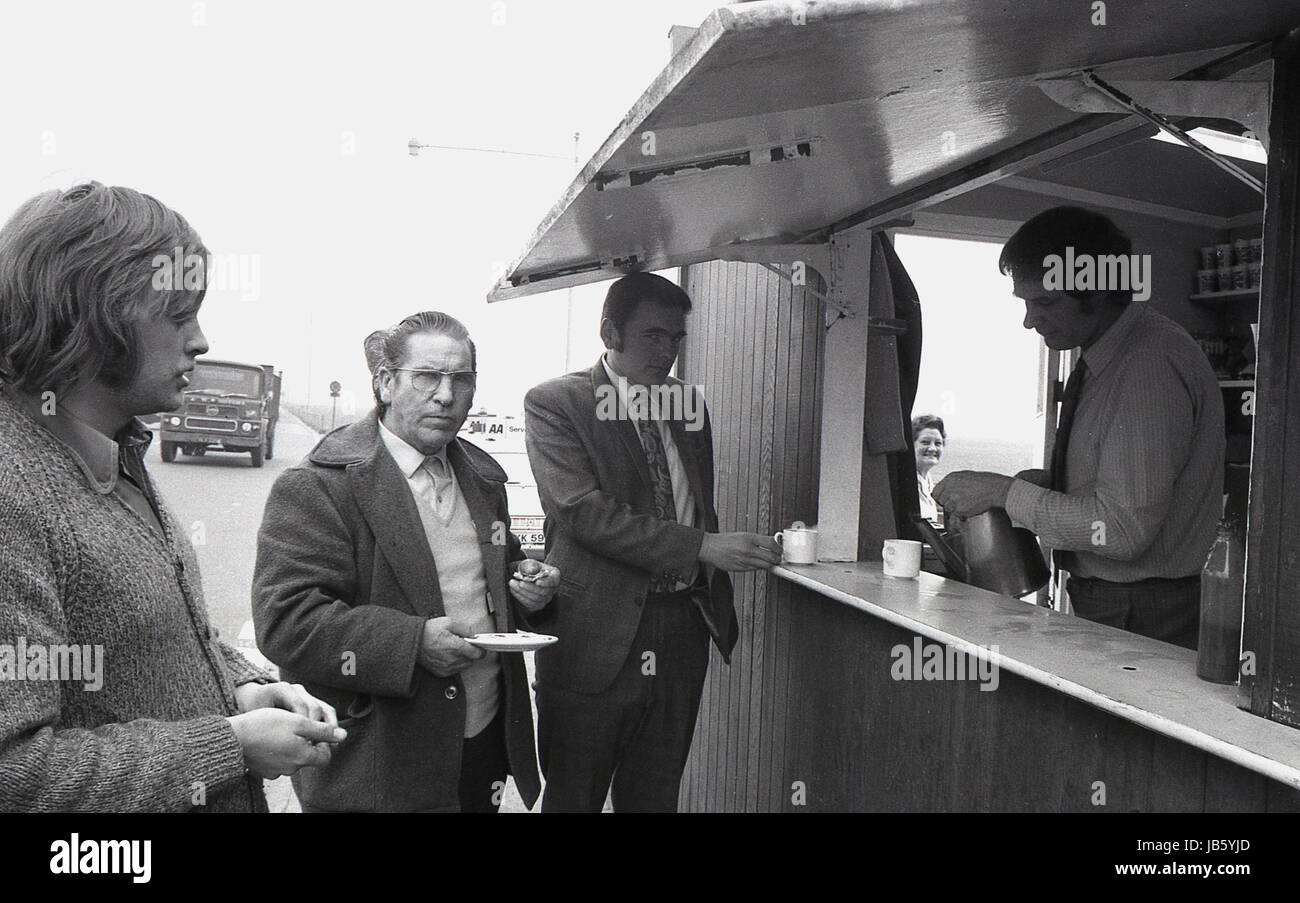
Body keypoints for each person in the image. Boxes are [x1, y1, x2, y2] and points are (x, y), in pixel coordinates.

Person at [0, 182, 344, 812]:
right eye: (178, 314)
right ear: (94, 311)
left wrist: (244, 689)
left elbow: (155, 642)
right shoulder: (11, 491)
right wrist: (228, 747)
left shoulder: (114, 447)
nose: (201, 340)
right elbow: (14, 772)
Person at [252, 311, 557, 812]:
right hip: (379, 764)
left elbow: (497, 584)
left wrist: (530, 591)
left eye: (461, 380)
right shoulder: (319, 485)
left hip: (481, 745)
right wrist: (412, 644)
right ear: (386, 383)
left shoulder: (483, 478)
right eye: (427, 377)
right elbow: (287, 622)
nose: (445, 395)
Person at [524, 271, 782, 812]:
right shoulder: (556, 403)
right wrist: (703, 547)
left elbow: (696, 503)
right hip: (595, 637)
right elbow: (583, 513)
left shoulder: (689, 408)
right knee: (574, 797)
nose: (666, 351)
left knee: (654, 798)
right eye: (652, 336)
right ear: (609, 332)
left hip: (681, 631)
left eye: (675, 339)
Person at [933, 206, 1224, 649]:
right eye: (1026, 302)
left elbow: (1123, 529)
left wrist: (1003, 493)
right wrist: (1054, 483)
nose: (1030, 320)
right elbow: (1121, 486)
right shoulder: (1104, 357)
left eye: (1046, 302)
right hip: (1121, 601)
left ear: (1098, 292)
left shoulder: (1147, 367)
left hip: (1144, 611)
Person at [913, 414, 946, 525]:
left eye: (938, 443)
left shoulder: (928, 482)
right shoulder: (906, 483)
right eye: (925, 442)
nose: (932, 448)